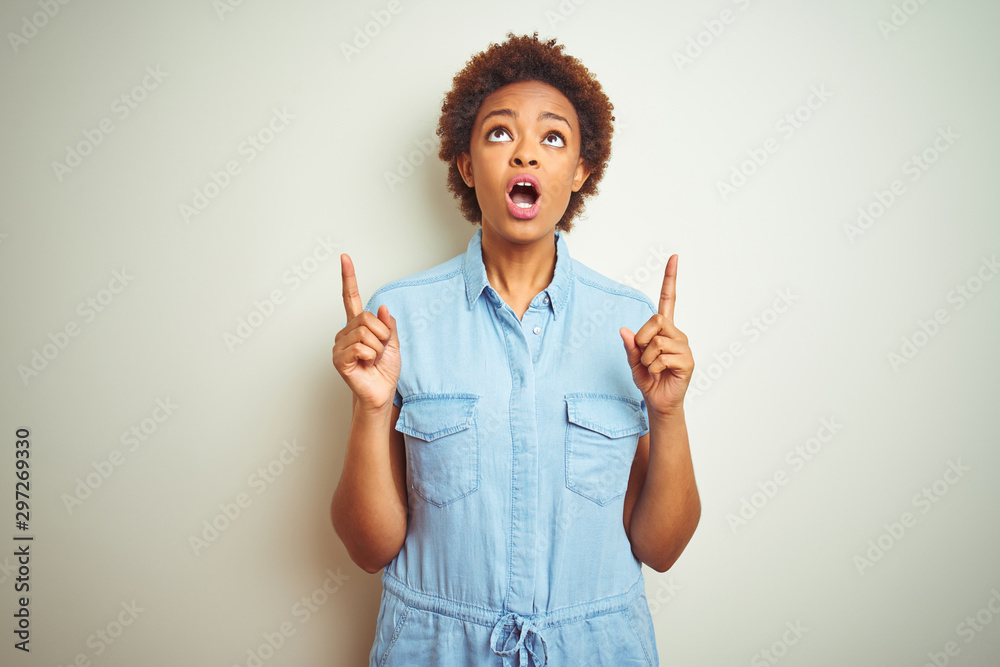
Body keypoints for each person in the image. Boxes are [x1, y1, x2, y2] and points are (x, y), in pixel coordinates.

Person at [331, 32, 700, 666]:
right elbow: (369, 550)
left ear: (581, 171)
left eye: (553, 138)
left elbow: (660, 549)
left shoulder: (631, 325)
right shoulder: (399, 318)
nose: (526, 151)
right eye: (500, 133)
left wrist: (667, 414)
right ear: (467, 164)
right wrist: (370, 408)